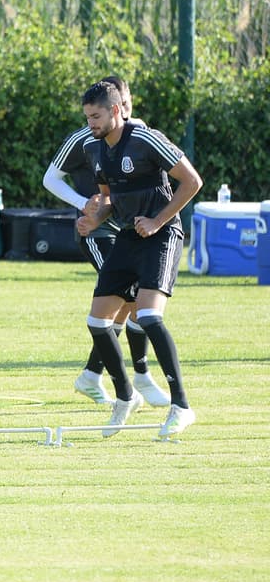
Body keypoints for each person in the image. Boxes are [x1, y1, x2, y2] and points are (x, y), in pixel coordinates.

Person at [76, 80, 202, 439]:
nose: (91, 124)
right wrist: (93, 219)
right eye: (87, 117)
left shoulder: (146, 139)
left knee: (147, 315)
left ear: (117, 110)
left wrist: (157, 220)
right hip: (129, 236)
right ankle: (125, 396)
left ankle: (181, 406)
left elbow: (192, 181)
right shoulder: (96, 149)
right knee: (98, 322)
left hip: (162, 235)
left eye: (96, 116)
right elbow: (109, 199)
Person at [42, 76, 169, 407]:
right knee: (124, 299)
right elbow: (50, 179)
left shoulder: (139, 133)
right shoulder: (86, 138)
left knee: (137, 297)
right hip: (99, 230)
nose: (125, 108)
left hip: (133, 230)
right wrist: (84, 205)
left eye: (127, 102)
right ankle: (130, 376)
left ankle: (97, 375)